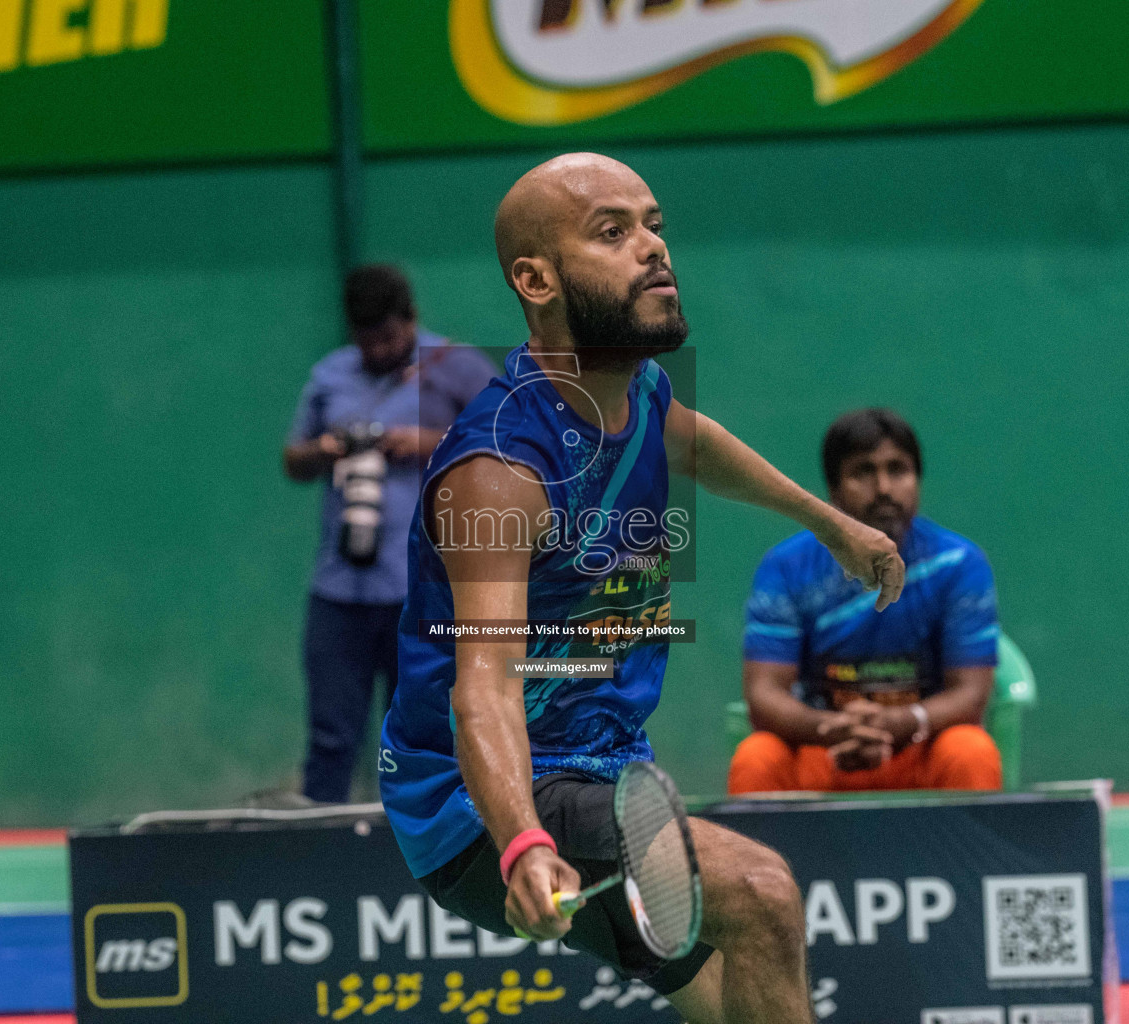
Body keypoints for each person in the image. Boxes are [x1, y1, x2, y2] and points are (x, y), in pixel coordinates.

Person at [378, 153, 905, 1023]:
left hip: (604, 762)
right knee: (762, 892)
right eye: (612, 233)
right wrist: (522, 847)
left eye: (654, 224)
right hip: (486, 796)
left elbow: (686, 439)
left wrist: (829, 523)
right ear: (535, 279)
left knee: (738, 999)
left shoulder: (635, 389)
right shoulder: (501, 471)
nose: (653, 249)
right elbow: (485, 691)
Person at [281, 265, 493, 805]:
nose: (378, 350)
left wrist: (428, 442)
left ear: (412, 319)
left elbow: (508, 442)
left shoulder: (457, 367)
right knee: (331, 738)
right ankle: (324, 855)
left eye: (390, 337)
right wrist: (324, 449)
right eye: (366, 339)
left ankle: (432, 852)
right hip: (339, 588)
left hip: (423, 593)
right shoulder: (330, 376)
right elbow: (293, 459)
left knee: (426, 738)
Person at [728, 408, 1003, 795]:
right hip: (823, 749)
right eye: (862, 472)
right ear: (833, 490)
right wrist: (836, 729)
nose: (884, 488)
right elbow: (764, 694)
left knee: (970, 751)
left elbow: (971, 694)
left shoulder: (958, 565)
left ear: (917, 480)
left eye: (898, 470)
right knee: (756, 757)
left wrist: (899, 723)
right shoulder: (786, 567)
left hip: (918, 749)